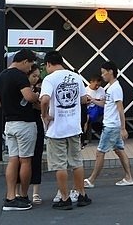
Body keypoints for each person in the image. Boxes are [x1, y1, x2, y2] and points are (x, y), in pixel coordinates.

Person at [40, 50, 92, 210]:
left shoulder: (49, 79)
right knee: (77, 162)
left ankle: (65, 198)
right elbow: (84, 99)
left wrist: (44, 115)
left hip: (57, 129)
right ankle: (82, 195)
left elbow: (45, 99)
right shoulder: (76, 76)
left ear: (48, 64)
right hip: (74, 128)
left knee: (60, 165)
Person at [0, 48, 39, 211]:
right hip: (25, 123)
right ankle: (23, 196)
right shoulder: (19, 76)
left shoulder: (1, 76)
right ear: (25, 61)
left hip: (9, 124)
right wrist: (36, 97)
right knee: (26, 160)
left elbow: (0, 103)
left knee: (13, 159)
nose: (30, 69)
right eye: (30, 66)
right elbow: (28, 97)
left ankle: (10, 196)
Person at [84, 60, 133, 188]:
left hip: (111, 125)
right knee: (119, 150)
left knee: (100, 152)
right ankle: (129, 177)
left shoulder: (116, 88)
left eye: (103, 72)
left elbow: (120, 108)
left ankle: (91, 180)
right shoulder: (111, 88)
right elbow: (105, 104)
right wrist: (93, 100)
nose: (102, 75)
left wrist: (123, 128)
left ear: (110, 71)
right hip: (112, 125)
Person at [25, 64, 44, 205]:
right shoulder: (21, 89)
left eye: (38, 76)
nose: (36, 79)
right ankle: (21, 191)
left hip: (37, 125)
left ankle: (36, 192)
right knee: (24, 160)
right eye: (34, 76)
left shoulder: (39, 90)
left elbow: (42, 107)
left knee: (37, 158)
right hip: (24, 125)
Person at [84, 74, 105, 145]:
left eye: (99, 85)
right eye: (96, 85)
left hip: (99, 109)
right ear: (91, 82)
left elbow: (103, 103)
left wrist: (93, 100)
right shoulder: (85, 90)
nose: (97, 87)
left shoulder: (102, 90)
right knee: (86, 118)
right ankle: (84, 137)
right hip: (89, 109)